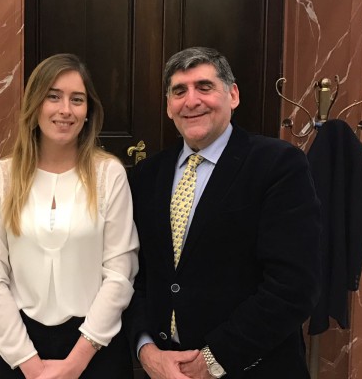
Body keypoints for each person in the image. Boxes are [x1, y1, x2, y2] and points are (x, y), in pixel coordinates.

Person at [124, 47, 321, 379]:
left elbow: (293, 286)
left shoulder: (278, 165)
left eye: (204, 87)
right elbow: (135, 275)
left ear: (233, 95)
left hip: (252, 368)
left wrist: (211, 361)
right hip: (163, 370)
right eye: (179, 91)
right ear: (169, 106)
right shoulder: (147, 175)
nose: (191, 101)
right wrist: (146, 350)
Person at [0, 53, 139, 378]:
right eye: (53, 96)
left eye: (77, 99)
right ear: (35, 105)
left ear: (88, 111)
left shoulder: (109, 174)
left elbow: (120, 273)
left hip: (95, 348)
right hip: (19, 350)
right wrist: (30, 364)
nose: (65, 109)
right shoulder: (2, 177)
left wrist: (75, 362)